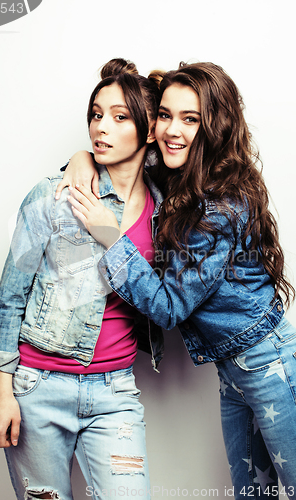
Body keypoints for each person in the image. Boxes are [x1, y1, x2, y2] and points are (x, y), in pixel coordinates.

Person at [63, 62, 296, 499]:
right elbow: (126, 153)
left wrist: (111, 239)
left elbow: (169, 307)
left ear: (213, 126)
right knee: (254, 494)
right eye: (165, 115)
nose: (173, 129)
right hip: (236, 372)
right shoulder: (182, 174)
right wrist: (82, 157)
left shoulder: (219, 207)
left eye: (190, 119)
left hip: (270, 366)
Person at [0, 58, 165, 500]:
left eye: (120, 118)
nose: (101, 127)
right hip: (37, 387)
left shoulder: (167, 207)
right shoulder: (53, 194)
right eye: (97, 115)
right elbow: (10, 296)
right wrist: (1, 390)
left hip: (115, 390)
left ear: (149, 129)